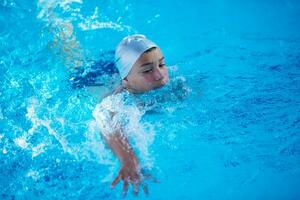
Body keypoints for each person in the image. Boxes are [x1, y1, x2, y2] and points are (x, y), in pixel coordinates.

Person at [93, 34, 170, 197]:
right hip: (92, 76)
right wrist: (128, 158)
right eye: (148, 70)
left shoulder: (169, 82)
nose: (159, 75)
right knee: (71, 55)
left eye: (162, 64)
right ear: (126, 80)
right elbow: (106, 121)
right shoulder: (118, 99)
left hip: (128, 64)